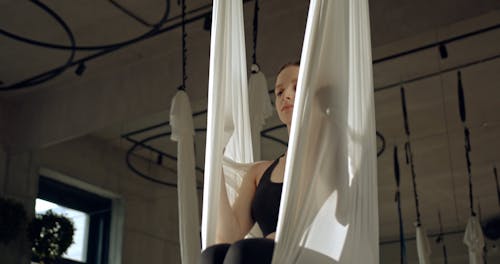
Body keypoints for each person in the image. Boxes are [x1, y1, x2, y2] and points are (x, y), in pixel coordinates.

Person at [200, 62, 300, 264]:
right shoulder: (259, 172)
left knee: (247, 251)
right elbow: (228, 237)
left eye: (296, 87)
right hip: (267, 254)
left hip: (305, 252)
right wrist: (215, 159)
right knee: (212, 256)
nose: (285, 96)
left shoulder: (325, 158)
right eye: (279, 92)